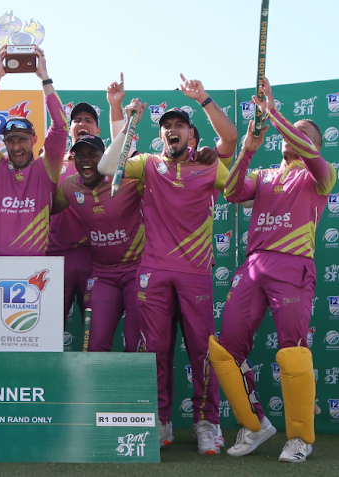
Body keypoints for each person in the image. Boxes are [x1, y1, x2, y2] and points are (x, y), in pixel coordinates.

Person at [212, 78, 336, 463]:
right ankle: (254, 424)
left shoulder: (321, 174)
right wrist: (248, 149)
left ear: (314, 143)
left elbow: (302, 145)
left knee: (293, 353)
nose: (291, 135)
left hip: (292, 267)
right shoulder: (264, 176)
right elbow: (231, 192)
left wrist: (273, 112)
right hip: (253, 266)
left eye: (303, 133)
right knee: (225, 350)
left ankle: (300, 438)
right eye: (289, 130)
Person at [99, 97, 230, 455]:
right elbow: (108, 166)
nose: (172, 130)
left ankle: (207, 423)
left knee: (203, 350)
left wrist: (216, 149)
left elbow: (240, 187)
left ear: (191, 134)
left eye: (179, 126)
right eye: (166, 127)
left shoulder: (208, 166)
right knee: (154, 350)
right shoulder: (149, 164)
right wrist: (128, 123)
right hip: (153, 272)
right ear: (160, 136)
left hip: (195, 272)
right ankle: (159, 420)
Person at [52, 125, 143, 353]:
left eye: (92, 154)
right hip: (103, 274)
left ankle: (134, 390)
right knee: (94, 345)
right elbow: (41, 210)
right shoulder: (69, 187)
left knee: (135, 343)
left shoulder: (128, 181)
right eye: (80, 155)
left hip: (137, 270)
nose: (85, 160)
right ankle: (96, 390)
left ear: (105, 158)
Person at [0, 45, 68, 258]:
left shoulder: (46, 168)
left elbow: (61, 125)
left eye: (22, 140)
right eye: (10, 141)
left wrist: (44, 77)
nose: (16, 147)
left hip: (36, 272)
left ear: (34, 139)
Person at [45, 101, 96, 333]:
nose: (82, 124)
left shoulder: (106, 165)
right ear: (70, 128)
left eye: (88, 120)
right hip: (56, 255)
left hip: (94, 257)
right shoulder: (53, 162)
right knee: (49, 329)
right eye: (77, 120)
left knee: (96, 328)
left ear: (97, 130)